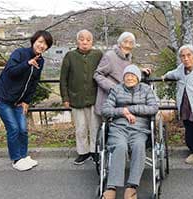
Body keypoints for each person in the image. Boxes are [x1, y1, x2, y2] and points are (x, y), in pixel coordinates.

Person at [0, 30, 51, 171]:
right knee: (13, 128)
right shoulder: (20, 53)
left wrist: (26, 101)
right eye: (40, 42)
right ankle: (16, 159)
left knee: (23, 129)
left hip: (19, 101)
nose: (42, 46)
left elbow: (33, 83)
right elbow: (10, 72)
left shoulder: (41, 61)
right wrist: (27, 63)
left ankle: (24, 156)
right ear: (34, 41)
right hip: (3, 98)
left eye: (46, 44)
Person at [99, 65, 159, 199]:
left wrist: (131, 110)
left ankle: (132, 186)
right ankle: (111, 187)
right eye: (127, 76)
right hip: (119, 126)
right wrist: (122, 111)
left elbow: (153, 108)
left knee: (138, 146)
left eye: (133, 75)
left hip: (140, 128)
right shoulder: (116, 89)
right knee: (120, 146)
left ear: (138, 77)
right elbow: (106, 110)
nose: (130, 78)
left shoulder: (146, 90)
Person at [60, 29, 104, 165]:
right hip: (75, 98)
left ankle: (95, 151)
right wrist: (65, 98)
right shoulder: (70, 56)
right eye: (82, 39)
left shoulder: (98, 54)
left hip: (94, 98)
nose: (85, 42)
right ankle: (83, 152)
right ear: (77, 41)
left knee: (95, 126)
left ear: (92, 42)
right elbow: (63, 79)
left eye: (88, 40)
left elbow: (107, 71)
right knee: (80, 127)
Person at [96, 32, 152, 119]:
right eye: (125, 42)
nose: (128, 45)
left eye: (131, 43)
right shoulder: (110, 56)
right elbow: (98, 75)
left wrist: (139, 70)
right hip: (109, 98)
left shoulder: (127, 57)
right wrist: (113, 87)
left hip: (122, 100)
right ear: (119, 43)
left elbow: (125, 71)